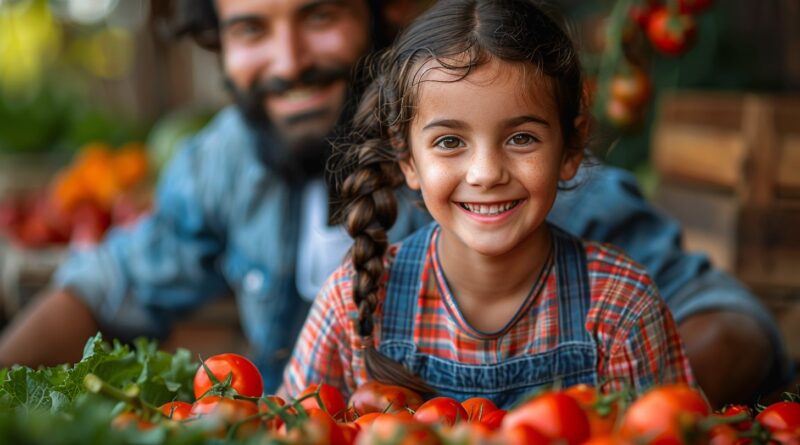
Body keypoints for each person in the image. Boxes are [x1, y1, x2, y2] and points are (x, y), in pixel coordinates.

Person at [0, 0, 790, 406]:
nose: (288, 60)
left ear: (378, 18)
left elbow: (732, 325)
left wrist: (619, 415)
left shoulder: (536, 197)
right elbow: (104, 285)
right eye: (250, 30)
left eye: (320, 15)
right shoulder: (224, 164)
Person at [281, 0, 696, 406]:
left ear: (571, 148)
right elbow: (294, 432)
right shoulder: (351, 307)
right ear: (407, 158)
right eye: (449, 142)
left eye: (521, 138)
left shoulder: (619, 307)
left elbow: (663, 431)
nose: (485, 173)